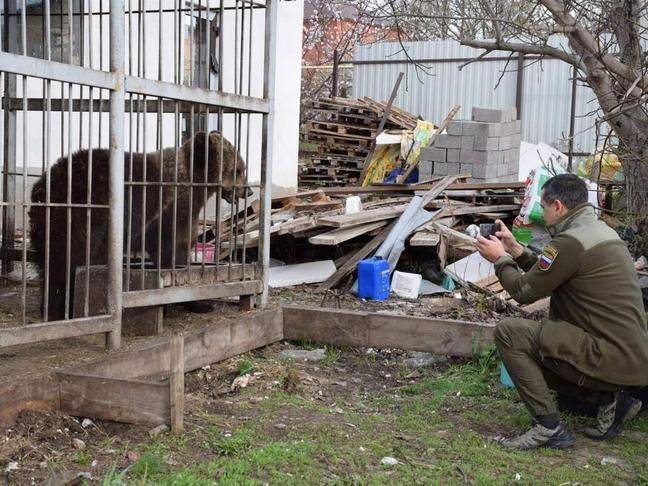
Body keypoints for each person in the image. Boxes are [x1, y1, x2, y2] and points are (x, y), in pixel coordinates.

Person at [475, 174, 648, 450]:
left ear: (557, 206)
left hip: (607, 354)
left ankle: (548, 427)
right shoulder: (599, 231)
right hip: (627, 355)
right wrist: (515, 249)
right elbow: (551, 271)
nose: (541, 214)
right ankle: (608, 399)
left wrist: (500, 259)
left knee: (510, 333)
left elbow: (524, 292)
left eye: (542, 207)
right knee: (548, 339)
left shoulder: (569, 243)